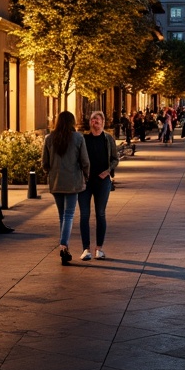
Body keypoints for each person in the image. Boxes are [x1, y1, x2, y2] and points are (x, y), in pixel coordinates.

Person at [43, 111, 90, 265]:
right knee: (69, 215)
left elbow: (45, 163)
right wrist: (86, 175)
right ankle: (63, 245)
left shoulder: (49, 138)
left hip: (56, 182)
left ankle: (66, 248)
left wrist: (51, 172)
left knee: (61, 215)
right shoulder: (78, 137)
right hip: (72, 182)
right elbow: (85, 161)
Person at [78, 111, 118, 260]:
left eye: (98, 118)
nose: (95, 120)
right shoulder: (83, 139)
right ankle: (85, 249)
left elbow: (115, 158)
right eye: (93, 118)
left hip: (102, 182)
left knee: (100, 213)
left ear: (103, 121)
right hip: (85, 182)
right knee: (84, 215)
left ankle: (99, 248)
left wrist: (107, 171)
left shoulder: (108, 139)